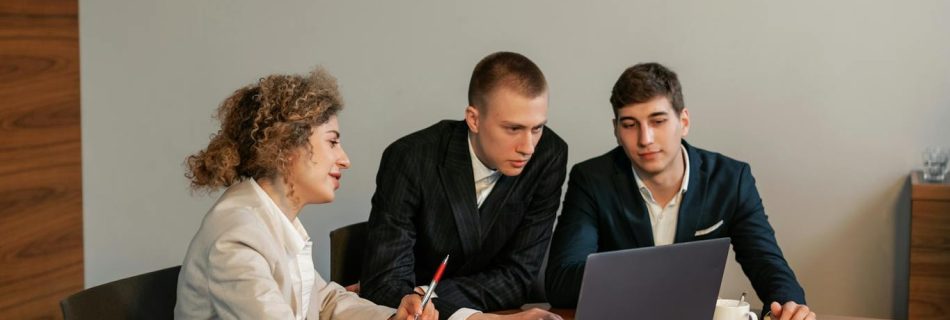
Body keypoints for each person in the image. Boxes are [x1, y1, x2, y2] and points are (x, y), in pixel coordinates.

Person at [544, 62, 816, 320]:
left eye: (658, 121)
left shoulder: (731, 179)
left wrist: (788, 306)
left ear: (683, 121)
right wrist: (658, 275)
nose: (645, 139)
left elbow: (768, 264)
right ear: (616, 130)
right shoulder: (592, 179)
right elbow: (561, 281)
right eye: (629, 125)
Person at [174, 68, 438, 320]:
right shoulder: (237, 234)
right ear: (287, 146)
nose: (345, 160)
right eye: (332, 142)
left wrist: (393, 316)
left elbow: (323, 301)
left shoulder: (270, 218)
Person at [359, 52, 567, 320]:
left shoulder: (549, 154)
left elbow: (518, 277)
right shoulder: (410, 158)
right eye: (513, 129)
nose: (528, 147)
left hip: (477, 310)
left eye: (537, 128)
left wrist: (425, 295)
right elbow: (383, 285)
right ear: (474, 119)